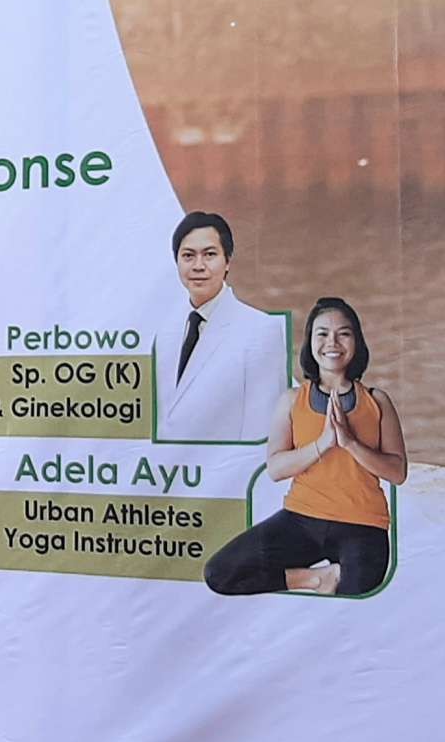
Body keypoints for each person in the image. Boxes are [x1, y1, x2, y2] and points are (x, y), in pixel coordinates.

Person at [204, 298, 406, 596]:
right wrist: (323, 444)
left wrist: (349, 443)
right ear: (311, 341)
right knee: (220, 574)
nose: (332, 342)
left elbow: (397, 472)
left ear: (356, 341)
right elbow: (276, 468)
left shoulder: (377, 401)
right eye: (322, 334)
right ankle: (315, 579)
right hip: (301, 520)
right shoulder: (291, 400)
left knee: (359, 591)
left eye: (343, 333)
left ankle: (335, 580)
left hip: (362, 523)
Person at [155, 210, 290, 442]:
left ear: (227, 261)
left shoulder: (260, 330)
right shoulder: (164, 333)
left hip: (225, 474)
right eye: (188, 256)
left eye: (209, 255)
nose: (198, 266)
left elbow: (263, 433)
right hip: (173, 473)